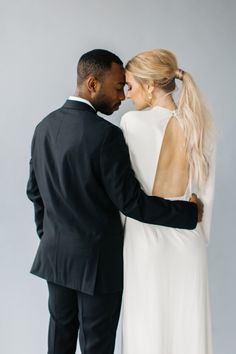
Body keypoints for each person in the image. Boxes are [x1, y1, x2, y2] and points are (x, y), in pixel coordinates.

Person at [26, 49, 202, 354]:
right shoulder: (105, 135)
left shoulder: (44, 127)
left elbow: (35, 192)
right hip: (97, 265)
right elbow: (131, 202)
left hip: (55, 256)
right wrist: (189, 213)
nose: (122, 95)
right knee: (97, 346)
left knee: (59, 341)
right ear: (93, 84)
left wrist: (49, 235)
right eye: (118, 86)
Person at [121, 48, 216, 354]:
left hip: (144, 241)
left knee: (146, 327)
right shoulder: (200, 127)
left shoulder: (131, 123)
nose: (126, 95)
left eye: (130, 86)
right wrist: (201, 236)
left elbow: (126, 193)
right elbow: (206, 196)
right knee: (188, 330)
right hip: (190, 242)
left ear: (150, 85)